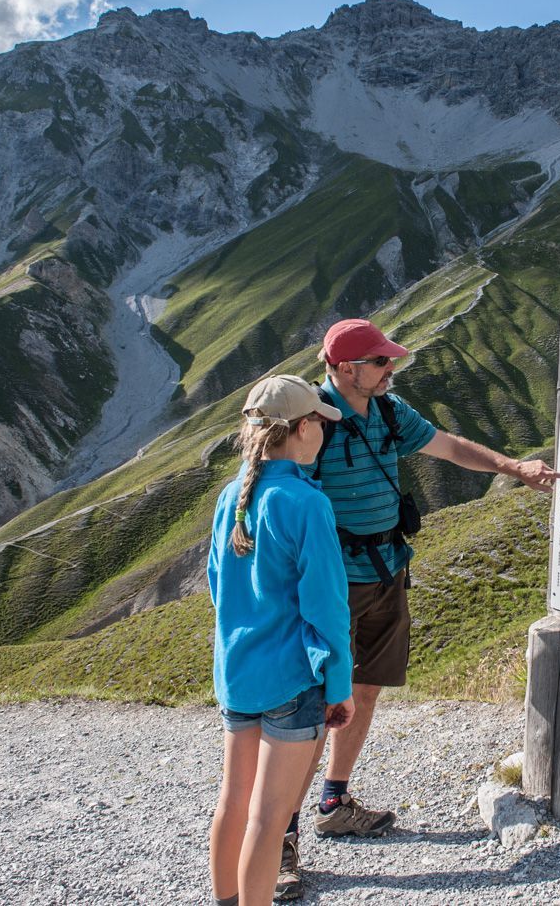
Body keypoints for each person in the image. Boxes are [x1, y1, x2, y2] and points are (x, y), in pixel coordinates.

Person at [294, 318, 560, 848]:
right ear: (346, 369)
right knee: (318, 704)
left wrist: (514, 468)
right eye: (380, 362)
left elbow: (451, 447)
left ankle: (334, 801)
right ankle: (282, 836)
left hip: (387, 571)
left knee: (365, 689)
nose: (390, 368)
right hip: (332, 584)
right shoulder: (312, 421)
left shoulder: (389, 410)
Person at [206, 375, 356, 904]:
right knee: (270, 818)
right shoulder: (306, 503)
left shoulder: (231, 496)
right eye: (320, 420)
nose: (325, 430)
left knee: (233, 802)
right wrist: (339, 685)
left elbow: (217, 585)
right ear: (301, 429)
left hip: (237, 673)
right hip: (291, 678)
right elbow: (327, 608)